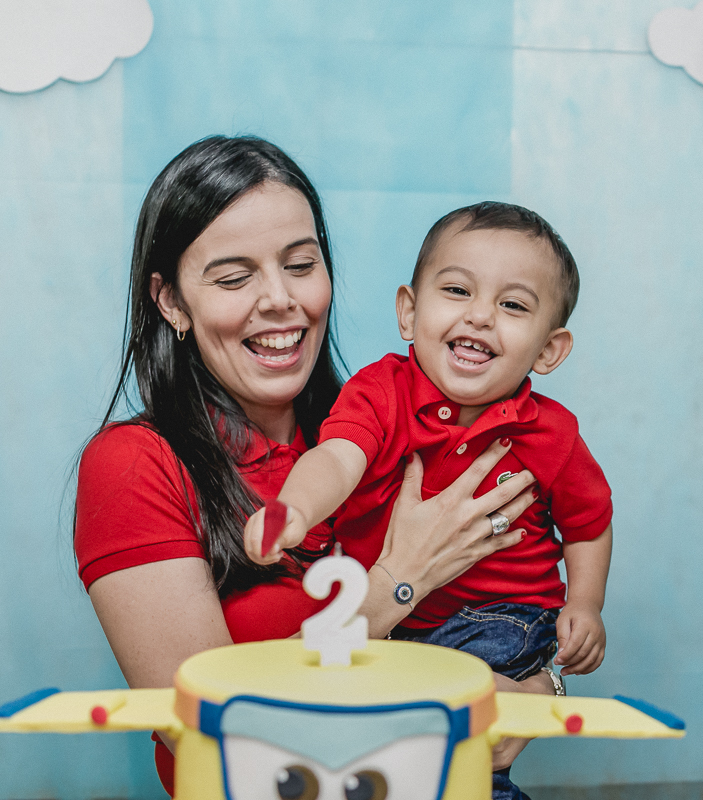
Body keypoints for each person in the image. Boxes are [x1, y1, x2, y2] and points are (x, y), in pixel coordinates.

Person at [73, 137, 551, 796]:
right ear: (172, 302)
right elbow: (211, 719)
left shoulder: (385, 430)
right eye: (234, 277)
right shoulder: (134, 464)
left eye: (301, 264)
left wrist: (537, 685)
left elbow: (509, 600)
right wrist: (399, 581)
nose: (280, 300)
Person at [243, 202, 614, 800]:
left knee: (452, 750)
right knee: (398, 757)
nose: (481, 316)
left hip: (505, 622)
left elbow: (589, 523)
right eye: (458, 290)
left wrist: (588, 603)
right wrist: (295, 510)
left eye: (513, 305)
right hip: (397, 627)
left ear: (549, 350)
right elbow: (338, 459)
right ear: (409, 313)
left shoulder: (554, 435)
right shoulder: (380, 392)